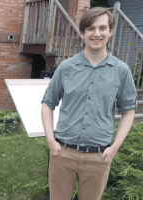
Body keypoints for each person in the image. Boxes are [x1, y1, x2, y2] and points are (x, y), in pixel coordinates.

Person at [41, 7, 137, 200]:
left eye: (102, 28)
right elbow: (47, 103)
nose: (97, 33)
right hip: (63, 153)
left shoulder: (122, 71)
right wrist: (51, 141)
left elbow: (128, 110)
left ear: (110, 31)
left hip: (99, 156)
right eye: (91, 28)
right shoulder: (66, 68)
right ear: (82, 32)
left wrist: (114, 148)